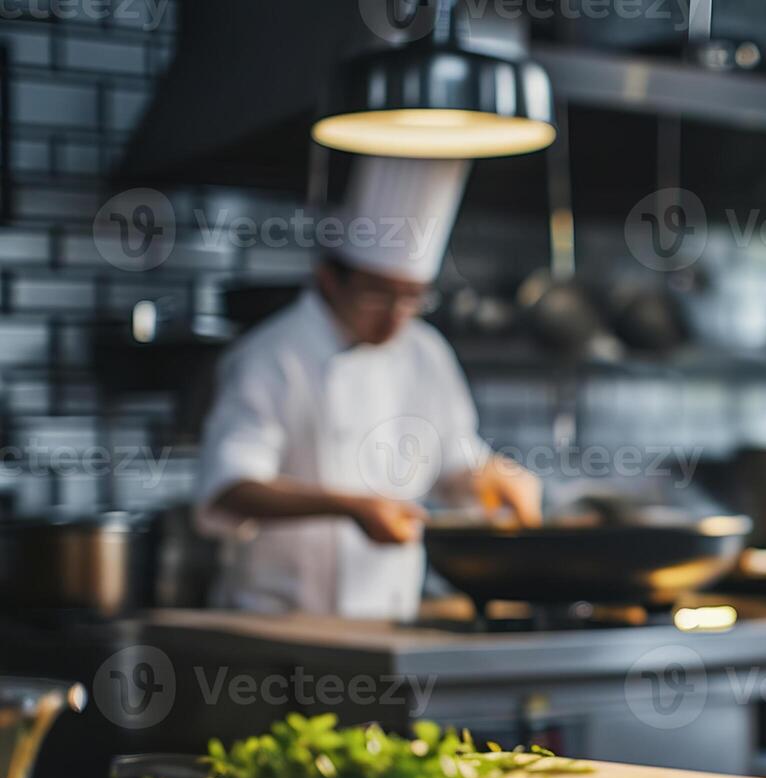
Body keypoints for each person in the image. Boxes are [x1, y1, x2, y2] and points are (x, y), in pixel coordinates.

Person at [195, 157, 540, 619]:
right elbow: (228, 488)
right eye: (379, 293)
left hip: (393, 618)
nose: (397, 314)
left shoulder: (425, 352)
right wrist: (350, 507)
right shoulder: (273, 355)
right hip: (281, 625)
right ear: (329, 279)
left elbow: (454, 460)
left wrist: (493, 474)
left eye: (413, 295)